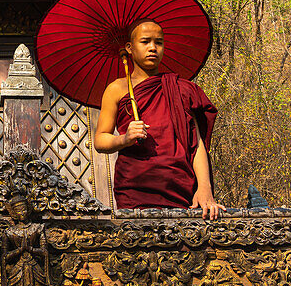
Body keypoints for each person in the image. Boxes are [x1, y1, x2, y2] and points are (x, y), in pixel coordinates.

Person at [93, 19, 221, 216]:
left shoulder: (181, 89)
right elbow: (100, 140)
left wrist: (204, 188)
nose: (153, 48)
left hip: (180, 185)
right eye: (145, 42)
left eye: (158, 42)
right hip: (135, 186)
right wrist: (124, 139)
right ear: (129, 47)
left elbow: (196, 144)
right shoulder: (117, 89)